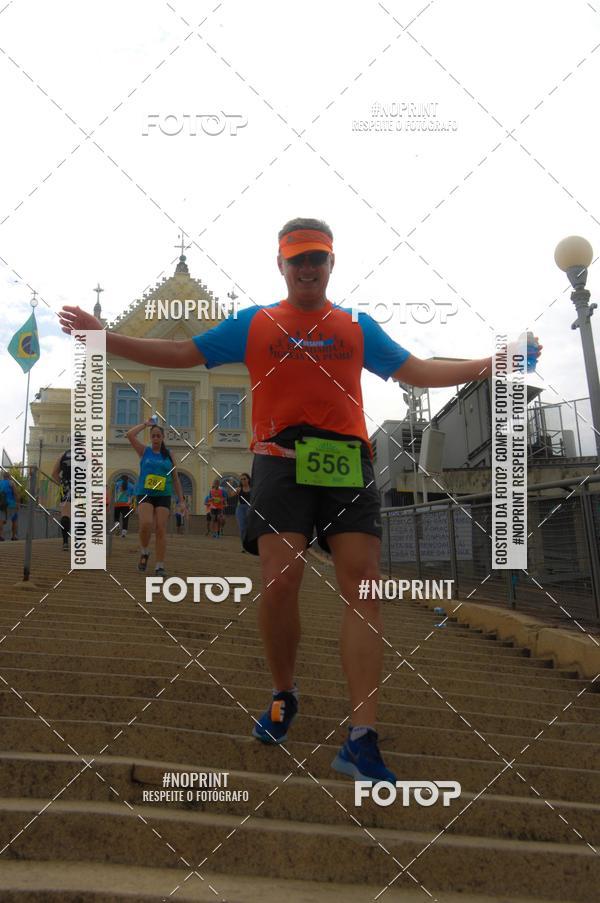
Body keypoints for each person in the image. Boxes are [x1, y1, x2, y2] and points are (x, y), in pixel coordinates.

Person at [58, 216, 542, 784]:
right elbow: (183, 354)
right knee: (281, 579)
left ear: (331, 263)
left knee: (364, 589)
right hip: (278, 458)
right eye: (298, 259)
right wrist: (102, 338)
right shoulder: (255, 322)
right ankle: (284, 692)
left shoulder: (356, 326)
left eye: (317, 258)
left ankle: (362, 737)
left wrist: (491, 363)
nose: (308, 268)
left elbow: (416, 369)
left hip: (345, 461)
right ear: (281, 265)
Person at [126, 419, 186, 578]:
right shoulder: (144, 451)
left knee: (160, 528)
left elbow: (175, 479)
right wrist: (145, 424)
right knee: (146, 523)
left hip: (164, 494)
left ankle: (160, 565)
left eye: (158, 436)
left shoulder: (169, 455)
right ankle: (144, 551)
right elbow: (130, 435)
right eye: (153, 436)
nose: (156, 438)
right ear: (150, 437)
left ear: (163, 437)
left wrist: (181, 501)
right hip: (145, 493)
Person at [51, 450, 72, 550]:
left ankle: (65, 542)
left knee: (65, 514)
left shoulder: (63, 455)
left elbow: (54, 474)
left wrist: (62, 484)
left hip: (66, 486)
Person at [235, 473, 252, 552]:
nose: (243, 481)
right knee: (242, 528)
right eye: (241, 479)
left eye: (244, 479)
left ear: (248, 479)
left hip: (250, 508)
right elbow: (230, 495)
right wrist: (230, 486)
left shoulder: (253, 489)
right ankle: (244, 546)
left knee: (250, 528)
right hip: (240, 509)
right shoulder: (239, 489)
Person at [0, 474, 18, 541]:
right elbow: (16, 494)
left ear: (3, 477)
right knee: (14, 520)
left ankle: (1, 536)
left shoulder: (0, 482)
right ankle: (14, 536)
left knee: (1, 520)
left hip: (2, 504)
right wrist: (17, 504)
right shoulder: (12, 482)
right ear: (9, 477)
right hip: (11, 504)